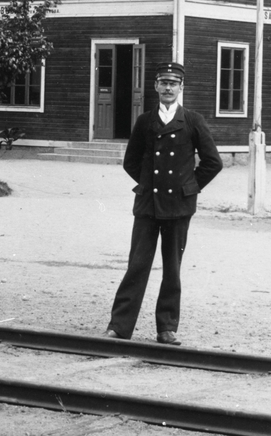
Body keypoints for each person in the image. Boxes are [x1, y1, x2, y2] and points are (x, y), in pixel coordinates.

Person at [105, 61, 223, 345]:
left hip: (178, 207)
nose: (168, 88)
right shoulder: (145, 121)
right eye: (163, 83)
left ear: (181, 88)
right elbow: (131, 161)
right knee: (137, 266)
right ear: (156, 86)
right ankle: (119, 326)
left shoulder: (192, 120)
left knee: (172, 269)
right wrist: (148, 184)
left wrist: (188, 188)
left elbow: (213, 162)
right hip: (148, 205)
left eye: (173, 84)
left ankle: (167, 328)